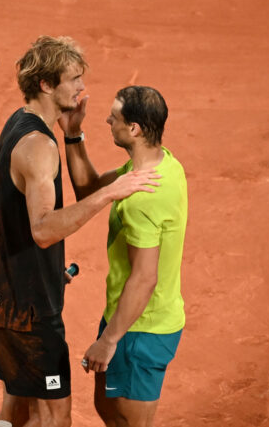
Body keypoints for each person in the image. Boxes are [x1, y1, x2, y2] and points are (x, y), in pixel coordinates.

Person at [0, 36, 160, 427]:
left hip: (11, 296)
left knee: (19, 408)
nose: (82, 88)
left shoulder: (21, 123)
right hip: (30, 311)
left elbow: (5, 210)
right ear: (47, 85)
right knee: (55, 416)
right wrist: (110, 194)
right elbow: (43, 230)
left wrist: (73, 134)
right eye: (74, 79)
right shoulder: (37, 146)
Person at [80, 85, 187, 427]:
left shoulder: (144, 198)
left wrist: (109, 340)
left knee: (128, 423)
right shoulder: (162, 164)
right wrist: (72, 137)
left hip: (140, 330)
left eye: (115, 116)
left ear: (135, 129)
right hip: (125, 317)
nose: (107, 119)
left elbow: (145, 277)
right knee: (108, 410)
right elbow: (90, 188)